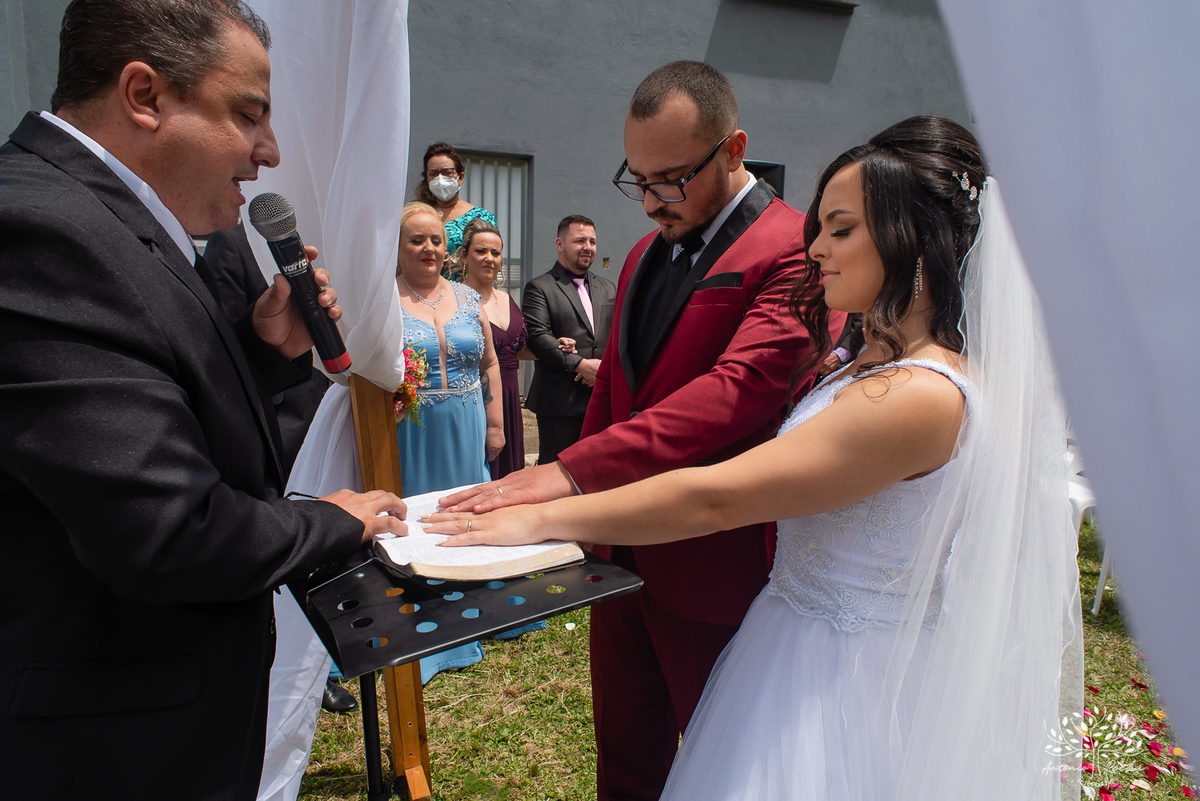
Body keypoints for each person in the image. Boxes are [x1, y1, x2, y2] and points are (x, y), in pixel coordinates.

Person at [427, 116, 1082, 801]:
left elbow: (719, 496)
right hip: (791, 636)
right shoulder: (874, 362)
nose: (817, 249)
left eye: (841, 228)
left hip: (842, 681)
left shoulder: (919, 394)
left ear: (909, 237)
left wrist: (544, 515)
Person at [0, 2, 408, 799]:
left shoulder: (106, 220)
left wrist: (261, 350)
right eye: (248, 115)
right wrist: (337, 517)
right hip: (102, 743)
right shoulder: (40, 229)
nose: (270, 152)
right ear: (145, 95)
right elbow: (169, 528)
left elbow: (131, 412)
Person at [442, 61, 842, 801]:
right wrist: (579, 509)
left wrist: (567, 477)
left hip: (718, 565)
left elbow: (736, 394)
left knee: (726, 759)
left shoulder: (799, 251)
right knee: (625, 751)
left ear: (733, 148)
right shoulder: (639, 254)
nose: (652, 201)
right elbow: (618, 394)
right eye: (639, 177)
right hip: (620, 561)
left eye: (672, 179)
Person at [395, 201, 509, 682]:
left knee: (466, 513)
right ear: (398, 247)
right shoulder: (383, 299)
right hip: (413, 430)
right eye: (417, 240)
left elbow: (489, 364)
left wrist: (496, 422)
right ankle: (429, 626)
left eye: (437, 240)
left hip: (466, 423)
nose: (429, 249)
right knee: (421, 520)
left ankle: (476, 612)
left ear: (449, 247)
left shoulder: (466, 296)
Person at [522, 215, 617, 465]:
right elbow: (538, 337)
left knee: (598, 471)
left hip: (600, 399)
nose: (588, 246)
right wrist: (581, 365)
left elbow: (616, 335)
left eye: (592, 241)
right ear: (560, 244)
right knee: (557, 473)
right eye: (579, 240)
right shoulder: (540, 287)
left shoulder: (608, 288)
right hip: (559, 402)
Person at [458, 218, 532, 478]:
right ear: (464, 256)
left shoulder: (507, 298)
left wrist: (557, 346)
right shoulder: (458, 300)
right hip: (478, 400)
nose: (489, 258)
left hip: (511, 396)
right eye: (481, 251)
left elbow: (519, 349)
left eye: (495, 253)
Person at [413, 141, 497, 275]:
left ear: (460, 177)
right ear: (427, 178)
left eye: (447, 172)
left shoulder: (482, 217)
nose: (440, 179)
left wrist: (456, 262)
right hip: (421, 289)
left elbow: (492, 258)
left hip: (466, 291)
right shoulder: (416, 215)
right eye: (433, 173)